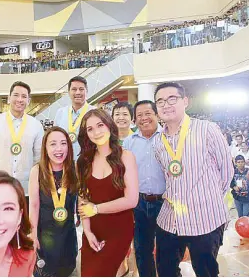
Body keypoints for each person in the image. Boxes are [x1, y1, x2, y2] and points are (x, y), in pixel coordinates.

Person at [152, 82, 233, 277]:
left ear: (185, 101)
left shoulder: (207, 130)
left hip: (204, 219)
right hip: (169, 219)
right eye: (160, 101)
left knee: (206, 272)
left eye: (172, 99)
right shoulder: (158, 141)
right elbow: (168, 175)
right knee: (165, 270)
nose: (166, 105)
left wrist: (206, 199)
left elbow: (226, 172)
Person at [76, 109, 138, 277]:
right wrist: (87, 232)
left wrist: (96, 208)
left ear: (109, 126)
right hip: (93, 230)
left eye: (100, 125)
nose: (96, 132)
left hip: (119, 229)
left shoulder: (126, 157)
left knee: (104, 272)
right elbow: (83, 199)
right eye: (90, 129)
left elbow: (132, 200)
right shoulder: (83, 161)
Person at [0, 81, 44, 205]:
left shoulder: (36, 125)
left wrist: (36, 185)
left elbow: (38, 159)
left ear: (28, 101)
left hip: (26, 190)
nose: (19, 99)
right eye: (16, 95)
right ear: (9, 98)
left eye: (24, 97)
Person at [28, 126, 79, 276]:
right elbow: (34, 205)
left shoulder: (74, 169)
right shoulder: (37, 171)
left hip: (67, 236)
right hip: (45, 237)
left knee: (68, 271)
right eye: (53, 144)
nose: (59, 149)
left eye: (63, 143)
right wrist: (33, 234)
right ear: (45, 147)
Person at [123, 100, 165, 277]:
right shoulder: (128, 142)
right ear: (134, 119)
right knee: (142, 250)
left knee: (166, 250)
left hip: (165, 202)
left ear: (157, 115)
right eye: (139, 115)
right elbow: (122, 173)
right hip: (138, 203)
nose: (144, 118)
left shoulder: (169, 138)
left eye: (148, 113)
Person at [54, 76, 95, 161]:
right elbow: (55, 138)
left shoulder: (95, 113)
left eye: (81, 89)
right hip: (64, 162)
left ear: (86, 91)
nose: (78, 92)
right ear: (69, 92)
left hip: (88, 162)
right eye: (74, 89)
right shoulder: (60, 113)